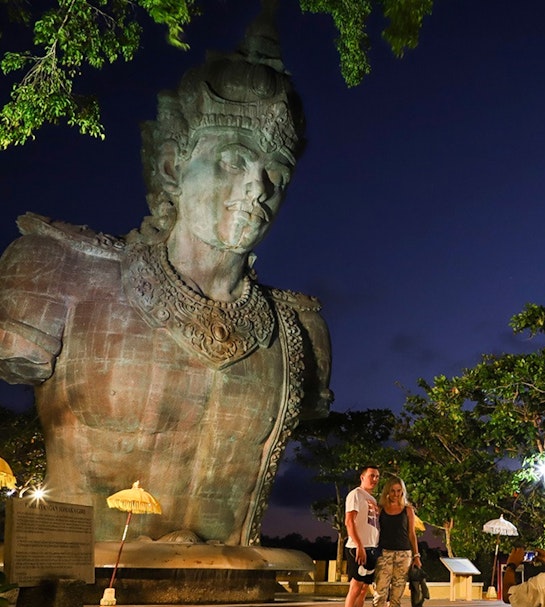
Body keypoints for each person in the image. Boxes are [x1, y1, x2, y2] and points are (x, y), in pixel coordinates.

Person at [0, 4, 332, 546]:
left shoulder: (299, 328)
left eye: (276, 172)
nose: (258, 187)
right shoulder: (57, 272)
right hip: (84, 584)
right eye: (233, 158)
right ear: (175, 165)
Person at [370, 475, 421, 607]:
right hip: (384, 554)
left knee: (397, 597)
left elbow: (412, 535)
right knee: (380, 594)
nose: (396, 494)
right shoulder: (380, 509)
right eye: (393, 491)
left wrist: (416, 556)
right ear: (387, 491)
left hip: (404, 555)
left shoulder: (408, 510)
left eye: (399, 491)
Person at [344, 466, 381, 607]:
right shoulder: (356, 495)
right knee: (355, 588)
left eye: (377, 477)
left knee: (363, 590)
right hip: (358, 548)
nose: (374, 479)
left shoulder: (372, 499)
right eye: (371, 476)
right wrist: (359, 545)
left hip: (371, 548)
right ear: (362, 477)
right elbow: (349, 521)